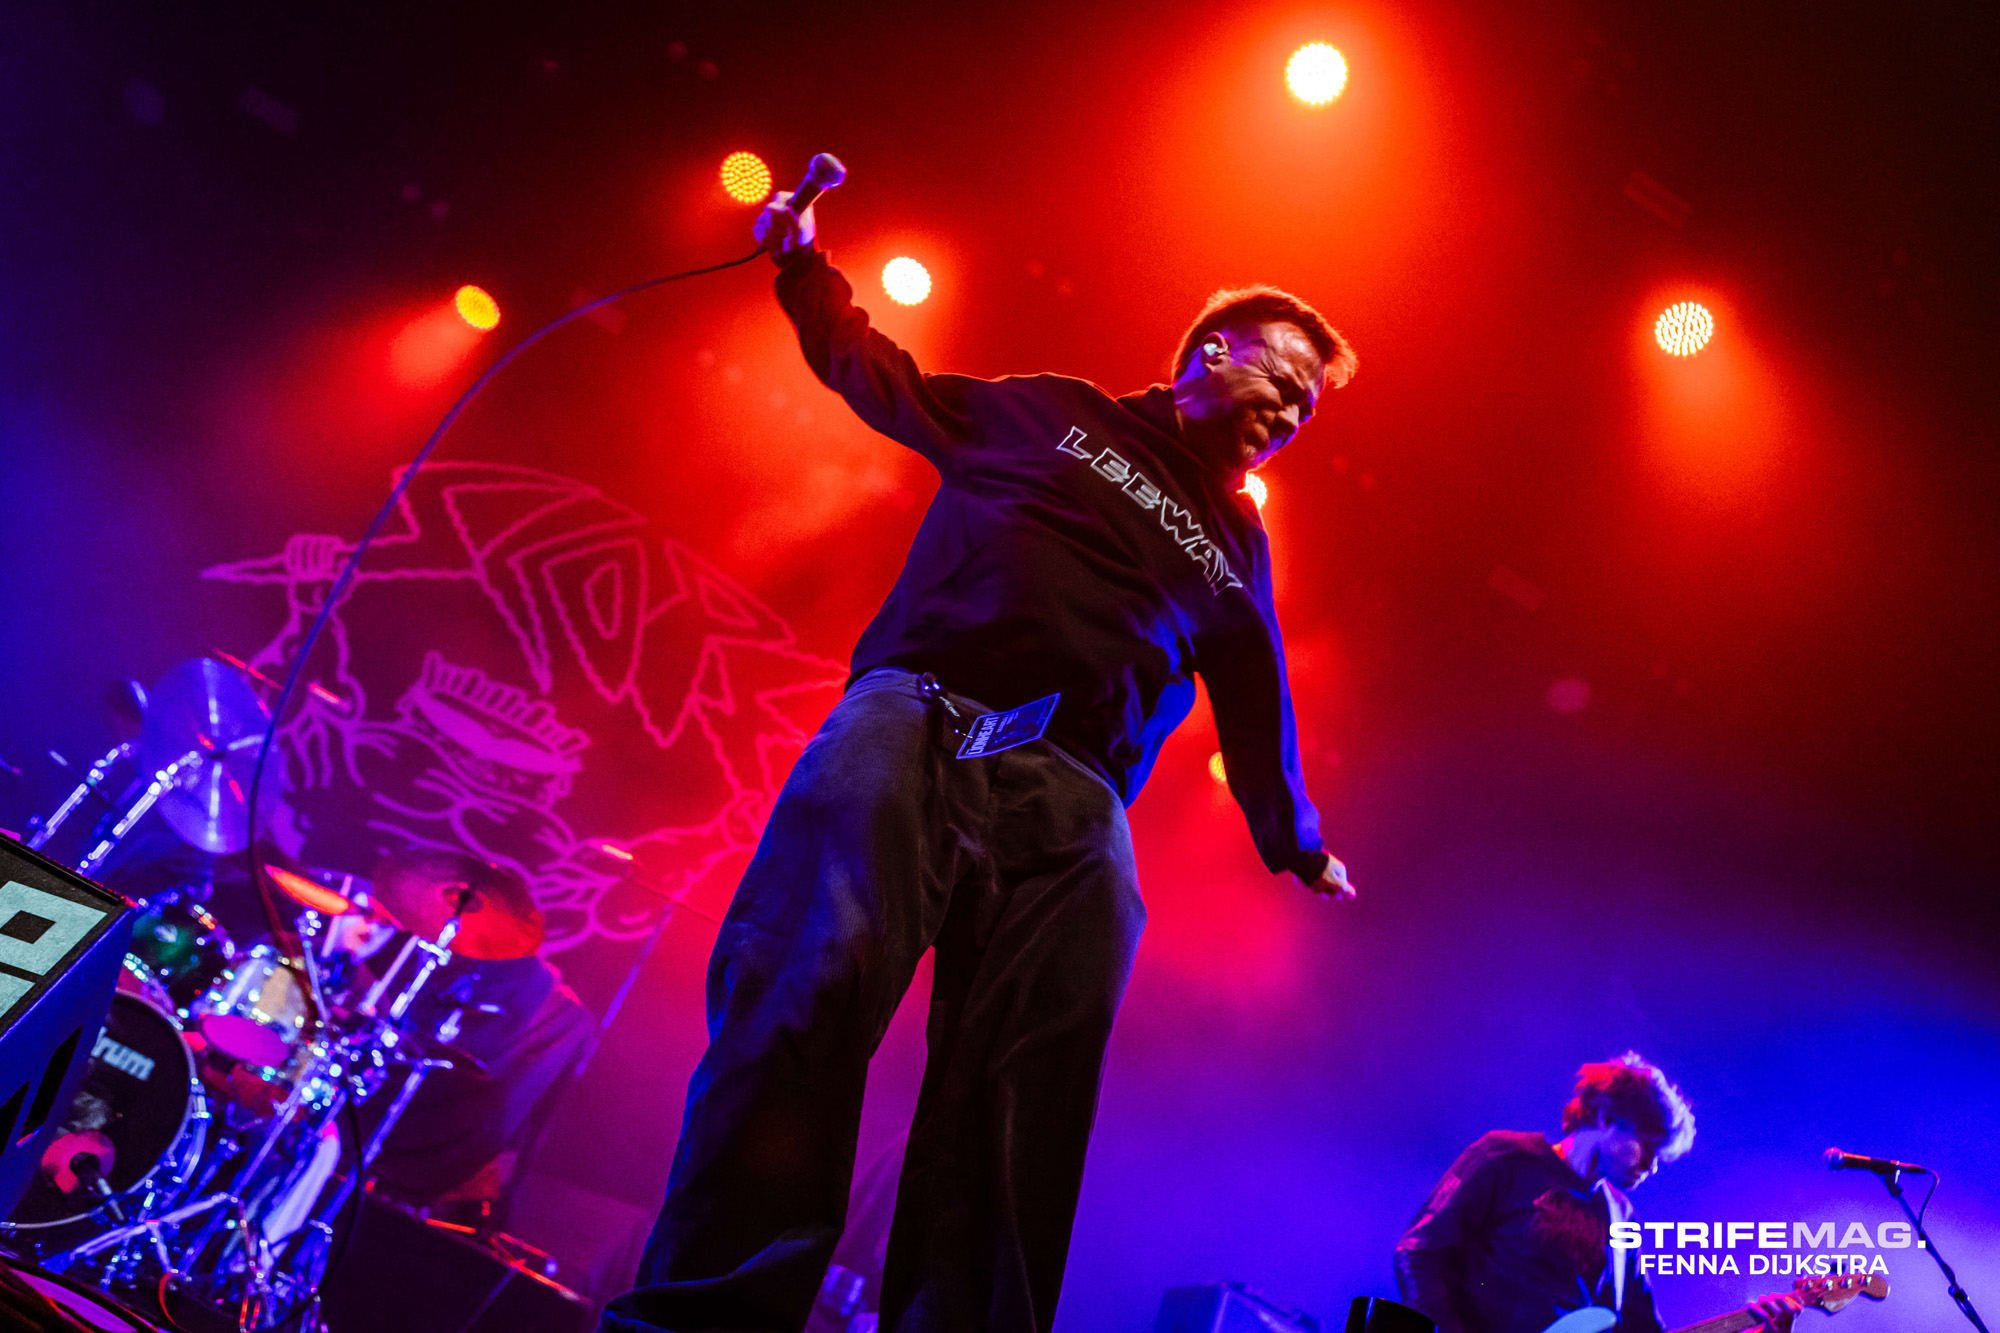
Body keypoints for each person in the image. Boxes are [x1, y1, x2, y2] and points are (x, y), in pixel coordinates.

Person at [603, 180, 1357, 1333]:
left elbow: (1257, 698)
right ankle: (700, 1319)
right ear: (1211, 353)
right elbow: (886, 381)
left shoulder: (1234, 542)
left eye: (1308, 404)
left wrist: (1291, 839)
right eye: (1283, 380)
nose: (1294, 410)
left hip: (1074, 797)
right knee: (803, 1002)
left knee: (1023, 1101)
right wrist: (804, 270)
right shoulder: (1051, 412)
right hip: (917, 719)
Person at [1394, 1052, 1802, 1333]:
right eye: (1647, 1146)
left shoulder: (1621, 1216)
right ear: (1607, 1117)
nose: (1652, 1166)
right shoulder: (1506, 1157)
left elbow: (1641, 1328)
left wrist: (1756, 1329)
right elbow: (1418, 1252)